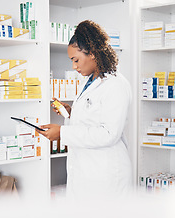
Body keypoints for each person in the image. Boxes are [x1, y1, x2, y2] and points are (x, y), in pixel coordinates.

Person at [39, 20, 132, 199]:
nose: (74, 66)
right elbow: (94, 117)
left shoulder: (116, 85)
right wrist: (72, 112)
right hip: (87, 172)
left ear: (93, 53)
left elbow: (109, 133)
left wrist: (62, 133)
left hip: (107, 175)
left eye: (76, 60)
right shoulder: (90, 81)